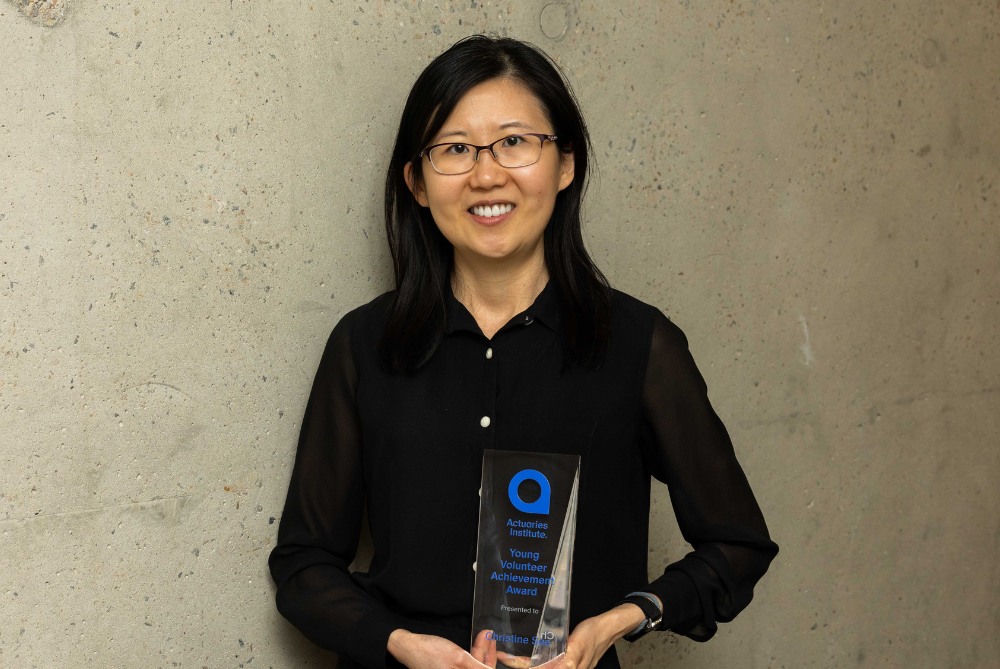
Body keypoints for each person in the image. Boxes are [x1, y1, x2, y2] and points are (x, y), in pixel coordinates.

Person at [268, 34, 779, 669]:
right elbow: (303, 565)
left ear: (565, 163)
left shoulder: (638, 345)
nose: (487, 174)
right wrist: (400, 645)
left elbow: (737, 544)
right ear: (417, 184)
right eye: (455, 149)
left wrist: (617, 622)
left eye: (514, 142)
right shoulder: (364, 345)